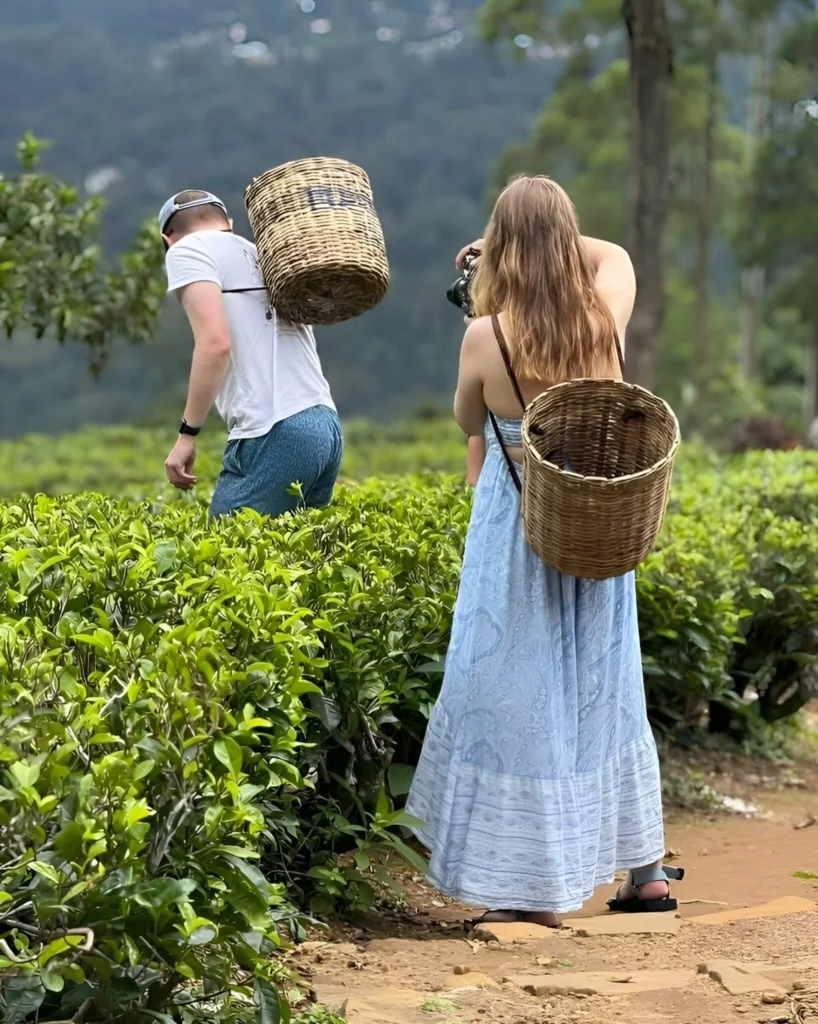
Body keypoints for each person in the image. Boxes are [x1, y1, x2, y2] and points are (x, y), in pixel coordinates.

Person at [406, 175, 682, 927]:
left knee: (511, 691)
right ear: (567, 242)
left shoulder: (484, 336)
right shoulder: (605, 316)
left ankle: (520, 888)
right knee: (606, 688)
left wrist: (495, 257)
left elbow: (470, 418)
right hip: (593, 522)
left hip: (520, 526)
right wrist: (547, 240)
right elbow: (616, 252)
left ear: (500, 248)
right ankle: (646, 872)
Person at [160, 190, 343, 519]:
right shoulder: (265, 256)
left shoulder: (186, 250)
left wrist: (187, 435)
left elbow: (216, 344)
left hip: (274, 428)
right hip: (325, 425)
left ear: (167, 239)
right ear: (228, 224)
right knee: (296, 561)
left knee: (227, 555)